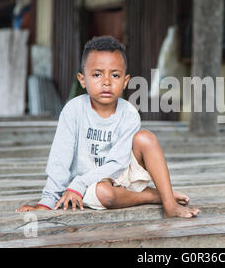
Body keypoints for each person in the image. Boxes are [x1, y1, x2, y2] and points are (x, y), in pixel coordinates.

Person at [16, 36, 200, 218]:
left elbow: (118, 163)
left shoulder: (129, 114)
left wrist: (81, 183)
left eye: (115, 75)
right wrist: (46, 203)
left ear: (125, 81)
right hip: (85, 185)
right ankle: (153, 195)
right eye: (97, 74)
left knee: (146, 138)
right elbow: (60, 160)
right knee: (106, 194)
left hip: (119, 175)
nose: (106, 82)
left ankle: (169, 204)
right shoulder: (73, 110)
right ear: (82, 79)